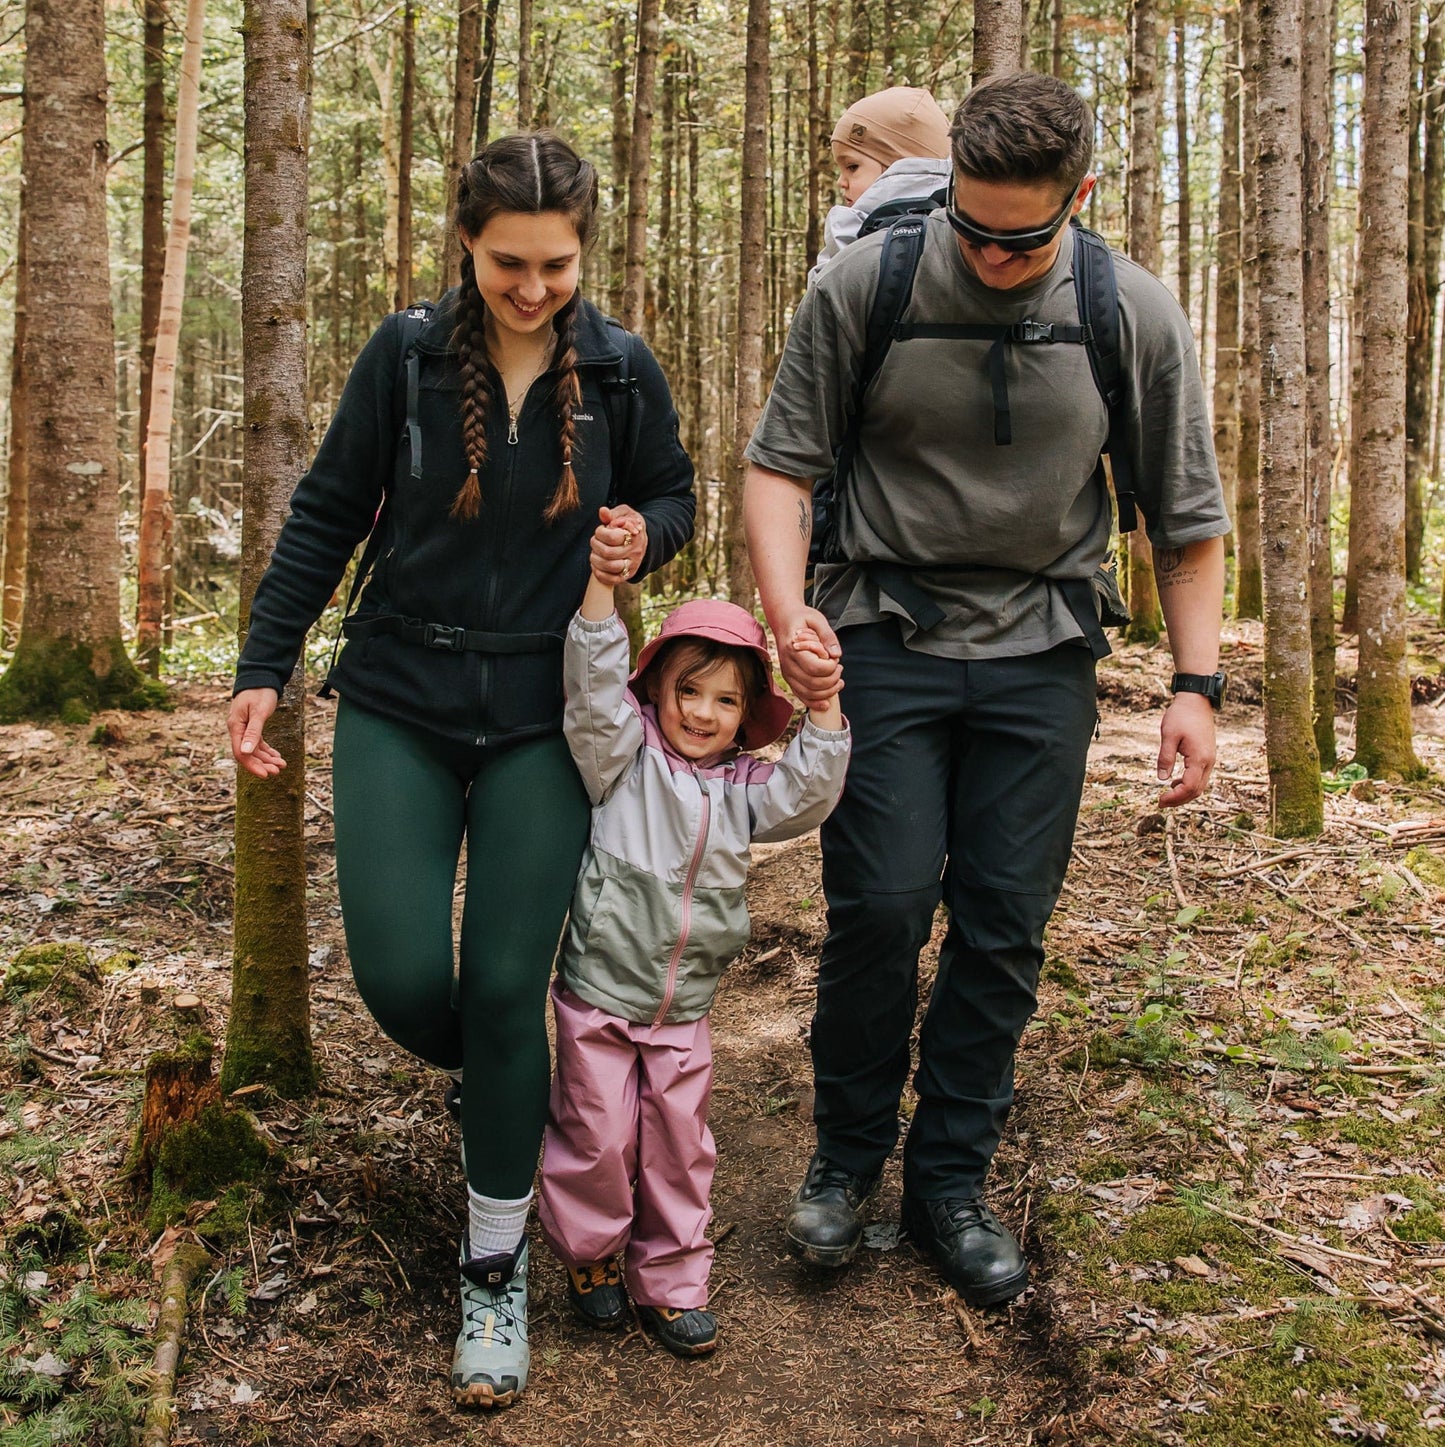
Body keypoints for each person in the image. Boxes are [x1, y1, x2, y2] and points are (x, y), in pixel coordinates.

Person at [743, 72, 1229, 1309]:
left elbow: (1182, 523)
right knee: (885, 904)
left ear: (1080, 198)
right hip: (884, 636)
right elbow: (779, 468)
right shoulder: (868, 283)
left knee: (1003, 922)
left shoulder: (1129, 311)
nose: (994, 255)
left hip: (1043, 651)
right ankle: (844, 1165)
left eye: (1023, 236)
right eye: (971, 226)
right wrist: (789, 609)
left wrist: (1194, 685)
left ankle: (946, 1185)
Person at [226, 133, 695, 1407]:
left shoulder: (620, 366)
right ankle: (516, 1078)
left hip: (551, 707)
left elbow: (676, 493)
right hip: (401, 697)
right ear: (466, 246)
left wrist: (641, 532)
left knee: (502, 986)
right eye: (506, 264)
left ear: (583, 252)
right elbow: (328, 510)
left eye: (553, 265)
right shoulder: (405, 357)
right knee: (400, 981)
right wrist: (262, 662)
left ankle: (493, 1272)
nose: (531, 288)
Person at [535, 520, 850, 1355]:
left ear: (748, 714)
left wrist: (824, 702)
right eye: (688, 690)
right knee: (596, 1133)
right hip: (598, 993)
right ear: (658, 691)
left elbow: (808, 795)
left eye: (726, 699)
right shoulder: (623, 756)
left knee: (679, 1147)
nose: (703, 713)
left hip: (685, 1008)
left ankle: (672, 1280)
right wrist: (603, 586)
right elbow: (594, 684)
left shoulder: (747, 788)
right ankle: (591, 1256)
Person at [809, 85, 953, 285]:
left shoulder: (861, 245)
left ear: (900, 169)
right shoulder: (957, 229)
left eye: (852, 167)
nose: (840, 182)